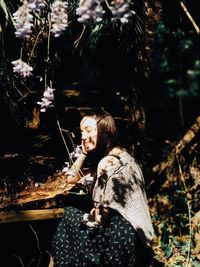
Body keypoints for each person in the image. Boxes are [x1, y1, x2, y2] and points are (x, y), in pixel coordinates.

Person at [51, 109, 155, 266]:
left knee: (67, 217)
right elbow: (70, 178)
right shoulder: (124, 156)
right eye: (81, 132)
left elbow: (101, 218)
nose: (83, 137)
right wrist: (84, 153)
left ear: (105, 131)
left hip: (119, 241)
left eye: (88, 131)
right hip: (139, 240)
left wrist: (92, 213)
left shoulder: (106, 163)